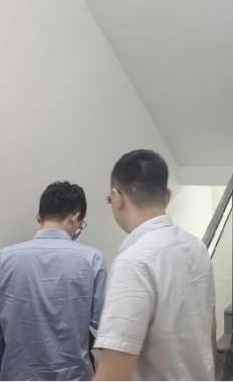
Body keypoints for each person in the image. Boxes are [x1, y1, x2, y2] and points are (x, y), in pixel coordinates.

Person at [94, 150, 215, 381]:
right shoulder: (196, 247)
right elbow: (209, 325)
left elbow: (113, 373)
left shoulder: (133, 262)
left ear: (117, 197)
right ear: (167, 196)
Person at [0, 181, 105, 381]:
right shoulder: (92, 260)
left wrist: (3, 368)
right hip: (74, 376)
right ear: (76, 217)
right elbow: (104, 324)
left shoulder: (1, 260)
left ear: (39, 217)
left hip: (18, 376)